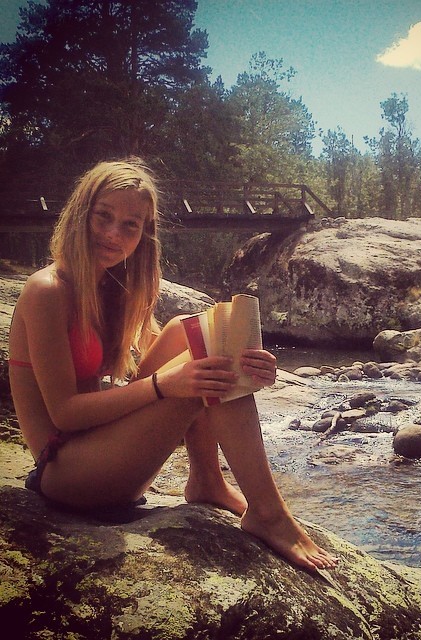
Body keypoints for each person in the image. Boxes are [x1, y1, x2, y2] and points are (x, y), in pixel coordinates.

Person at [8, 158, 337, 572]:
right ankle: (268, 514)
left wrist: (252, 365)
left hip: (104, 451)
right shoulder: (46, 290)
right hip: (66, 472)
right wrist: (165, 385)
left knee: (192, 329)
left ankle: (207, 481)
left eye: (130, 225)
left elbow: (181, 349)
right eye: (103, 216)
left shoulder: (109, 286)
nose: (113, 234)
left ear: (143, 234)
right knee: (206, 361)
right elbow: (65, 414)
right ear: (80, 213)